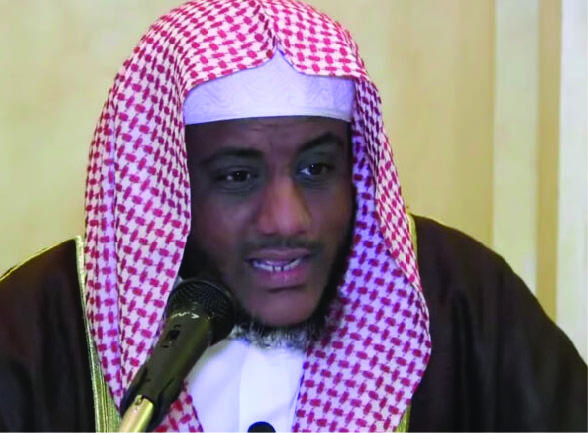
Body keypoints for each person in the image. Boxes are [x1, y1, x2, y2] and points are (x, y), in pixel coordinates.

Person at [0, 0, 585, 431]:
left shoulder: (461, 301)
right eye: (237, 177)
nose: (287, 219)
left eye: (315, 169)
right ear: (163, 185)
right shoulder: (34, 329)